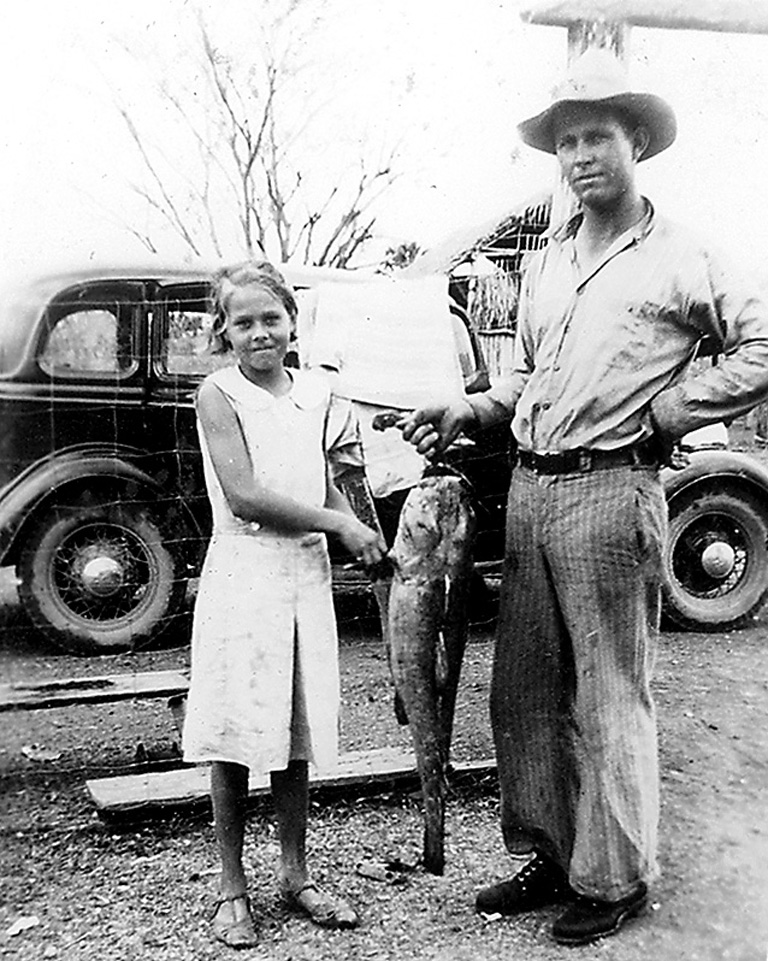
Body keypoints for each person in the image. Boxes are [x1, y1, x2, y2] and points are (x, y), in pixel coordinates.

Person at [402, 49, 768, 946]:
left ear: (635, 139)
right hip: (530, 487)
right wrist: (469, 408)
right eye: (565, 143)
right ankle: (553, 852)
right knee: (524, 693)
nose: (579, 158)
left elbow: (762, 344)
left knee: (610, 693)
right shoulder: (550, 259)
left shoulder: (687, 253)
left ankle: (617, 876)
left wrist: (675, 407)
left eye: (596, 136)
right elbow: (526, 377)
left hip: (614, 490)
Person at [182, 261, 386, 949]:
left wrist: (356, 526)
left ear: (293, 322)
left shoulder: (318, 393)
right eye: (243, 322)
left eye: (271, 318)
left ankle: (295, 874)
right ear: (224, 331)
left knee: (293, 731)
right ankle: (232, 887)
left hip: (304, 578)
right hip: (245, 575)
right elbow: (245, 496)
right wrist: (338, 525)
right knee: (241, 731)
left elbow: (323, 483)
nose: (259, 333)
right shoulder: (219, 394)